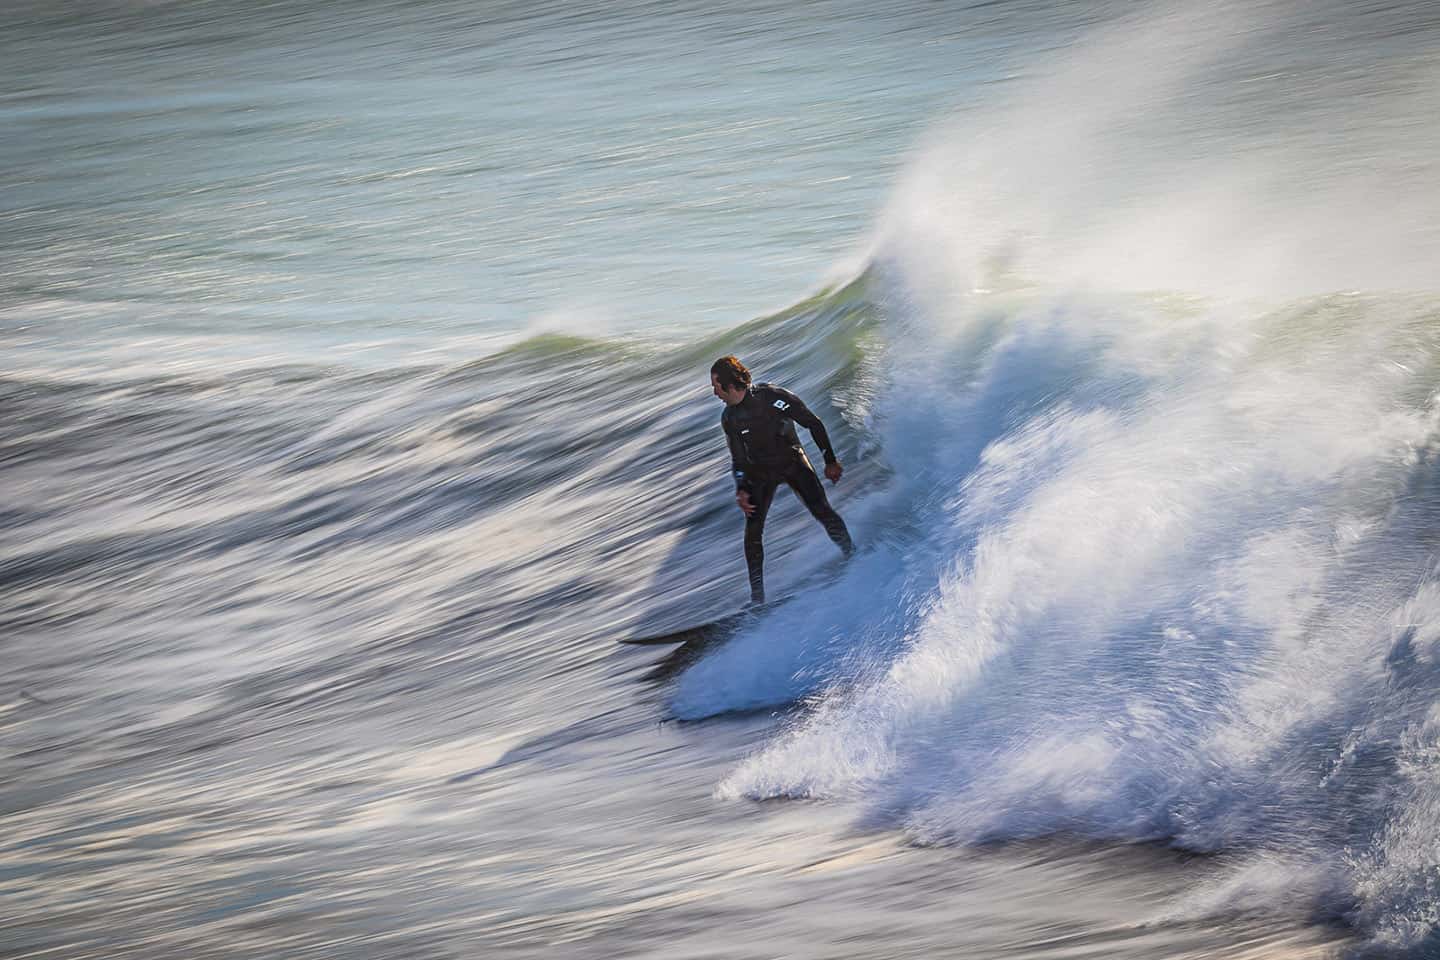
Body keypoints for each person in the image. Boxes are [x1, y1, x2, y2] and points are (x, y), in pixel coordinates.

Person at [710, 355, 854, 605]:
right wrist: (742, 488)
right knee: (752, 534)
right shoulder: (729, 418)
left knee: (822, 511)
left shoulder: (772, 397)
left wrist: (829, 460)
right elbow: (739, 459)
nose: (714, 392)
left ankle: (852, 556)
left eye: (715, 386)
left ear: (730, 385)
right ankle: (758, 600)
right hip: (760, 474)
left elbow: (813, 423)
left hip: (792, 463)